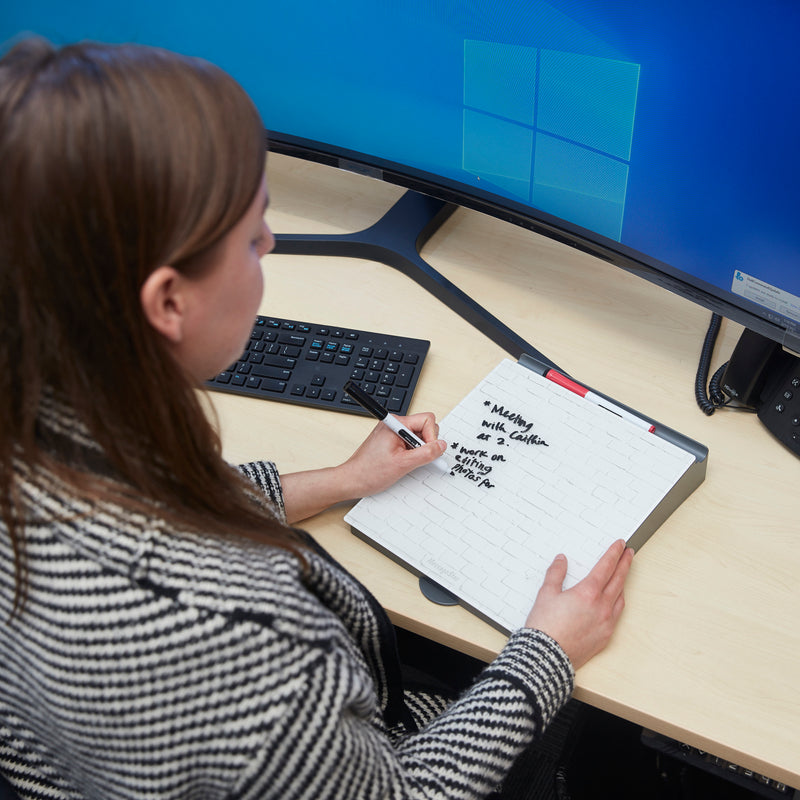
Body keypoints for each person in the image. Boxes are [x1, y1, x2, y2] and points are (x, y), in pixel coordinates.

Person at [0, 38, 633, 800]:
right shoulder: (227, 643)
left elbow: (153, 506)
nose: (270, 243)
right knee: (595, 725)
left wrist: (343, 479)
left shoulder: (41, 422)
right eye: (250, 233)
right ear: (168, 301)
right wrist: (546, 654)